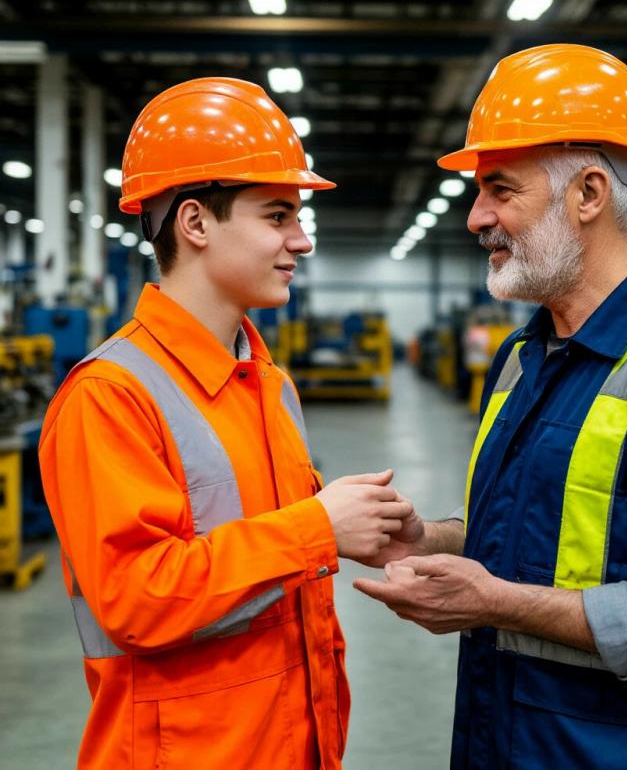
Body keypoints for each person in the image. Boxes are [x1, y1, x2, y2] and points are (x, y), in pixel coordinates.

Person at [355, 44, 627, 769]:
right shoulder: (523, 357)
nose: (476, 217)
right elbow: (537, 535)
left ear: (588, 194)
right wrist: (431, 540)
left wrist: (496, 603)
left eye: (499, 189)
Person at [39, 77, 418, 770]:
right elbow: (137, 599)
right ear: (195, 223)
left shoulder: (267, 381)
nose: (302, 240)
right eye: (278, 215)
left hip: (293, 744)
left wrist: (359, 526)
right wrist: (317, 528)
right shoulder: (110, 395)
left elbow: (268, 561)